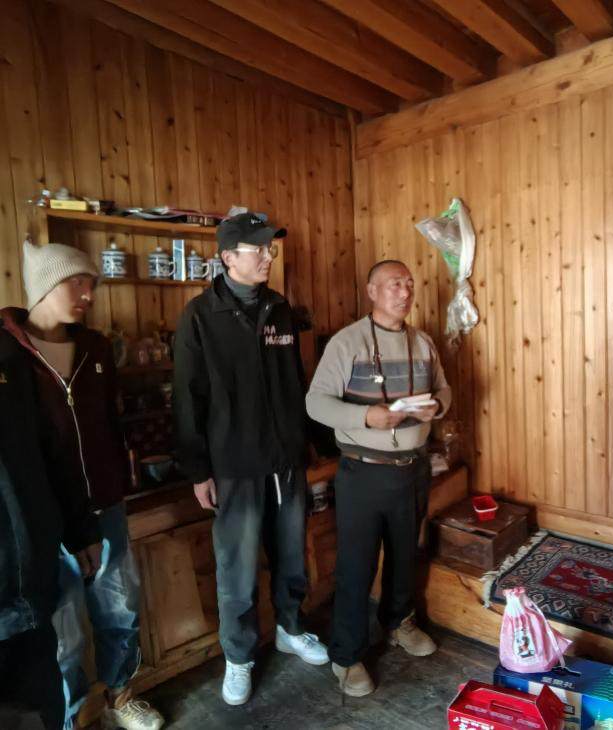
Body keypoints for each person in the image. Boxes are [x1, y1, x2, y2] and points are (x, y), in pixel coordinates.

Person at [1, 243, 165, 730]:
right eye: (77, 282)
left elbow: (110, 421)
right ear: (45, 285)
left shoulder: (96, 347)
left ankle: (121, 694)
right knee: (62, 629)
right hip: (44, 520)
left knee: (119, 608)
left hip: (106, 505)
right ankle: (70, 715)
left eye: (91, 284)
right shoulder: (9, 353)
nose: (89, 294)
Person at [174, 213, 327, 707]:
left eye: (269, 248)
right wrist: (199, 470)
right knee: (237, 571)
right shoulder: (200, 316)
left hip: (284, 460)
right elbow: (188, 398)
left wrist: (308, 443)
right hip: (233, 466)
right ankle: (239, 657)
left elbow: (295, 383)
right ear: (227, 257)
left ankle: (289, 628)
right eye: (257, 249)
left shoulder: (280, 309)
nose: (268, 256)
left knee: (291, 556)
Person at [306, 259, 452, 697]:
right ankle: (347, 655)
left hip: (413, 469)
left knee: (405, 555)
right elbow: (316, 403)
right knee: (356, 566)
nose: (404, 293)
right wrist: (365, 416)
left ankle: (398, 622)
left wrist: (438, 407)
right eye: (393, 285)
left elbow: (444, 390)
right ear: (372, 291)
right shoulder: (346, 342)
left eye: (409, 284)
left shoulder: (422, 342)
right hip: (363, 472)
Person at [0, 321, 102, 730]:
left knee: (42, 713)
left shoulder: (8, 352)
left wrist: (81, 528)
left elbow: (51, 446)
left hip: (30, 591)